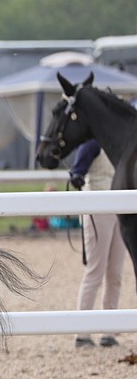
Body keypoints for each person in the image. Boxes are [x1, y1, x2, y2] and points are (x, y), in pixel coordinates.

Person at [69, 140, 124, 348]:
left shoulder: (122, 139)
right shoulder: (92, 143)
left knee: (116, 273)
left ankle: (108, 331)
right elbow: (78, 171)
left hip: (122, 208)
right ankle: (82, 332)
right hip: (98, 209)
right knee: (95, 271)